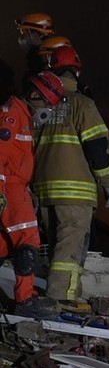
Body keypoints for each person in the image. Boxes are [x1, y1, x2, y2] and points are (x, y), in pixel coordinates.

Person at [33, 46, 109, 312]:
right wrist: (107, 182)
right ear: (76, 72)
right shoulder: (82, 103)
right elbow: (96, 147)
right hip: (75, 190)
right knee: (70, 246)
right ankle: (61, 300)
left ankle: (68, 292)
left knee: (58, 246)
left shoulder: (41, 103)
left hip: (44, 189)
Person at [1, 73, 63, 317]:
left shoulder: (21, 115)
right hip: (10, 188)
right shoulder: (12, 116)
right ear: (35, 94)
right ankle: (24, 300)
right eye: (47, 102)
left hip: (16, 187)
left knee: (4, 246)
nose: (48, 108)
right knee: (28, 241)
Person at [15, 13, 54, 86]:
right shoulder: (48, 55)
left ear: (35, 35)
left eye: (24, 33)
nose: (22, 37)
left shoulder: (39, 58)